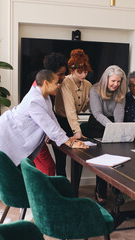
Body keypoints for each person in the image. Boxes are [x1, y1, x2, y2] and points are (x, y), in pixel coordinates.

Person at [0, 69, 88, 221]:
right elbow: (48, 125)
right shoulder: (35, 100)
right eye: (56, 83)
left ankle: (25, 208)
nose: (58, 85)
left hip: (12, 138)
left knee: (20, 173)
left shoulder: (45, 98)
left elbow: (53, 121)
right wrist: (68, 142)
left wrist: (68, 139)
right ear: (45, 83)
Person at [87, 65, 127, 205]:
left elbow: (119, 112)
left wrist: (117, 130)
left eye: (119, 81)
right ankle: (100, 191)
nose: (116, 84)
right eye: (113, 81)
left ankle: (116, 190)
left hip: (113, 124)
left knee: (118, 154)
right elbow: (97, 113)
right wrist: (112, 128)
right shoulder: (94, 90)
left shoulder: (120, 91)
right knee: (103, 157)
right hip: (97, 125)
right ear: (106, 79)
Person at [53, 49, 92, 177]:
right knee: (61, 159)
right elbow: (70, 110)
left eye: (85, 72)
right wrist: (77, 131)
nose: (83, 75)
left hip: (74, 122)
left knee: (79, 157)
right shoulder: (65, 83)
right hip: (60, 121)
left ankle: (74, 191)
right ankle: (62, 190)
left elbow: (86, 106)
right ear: (72, 70)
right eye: (80, 72)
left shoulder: (88, 84)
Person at [32, 52, 67, 176]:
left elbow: (50, 116)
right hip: (29, 136)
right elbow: (44, 119)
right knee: (48, 167)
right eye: (60, 75)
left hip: (35, 136)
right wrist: (68, 141)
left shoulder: (46, 93)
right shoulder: (36, 97)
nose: (64, 77)